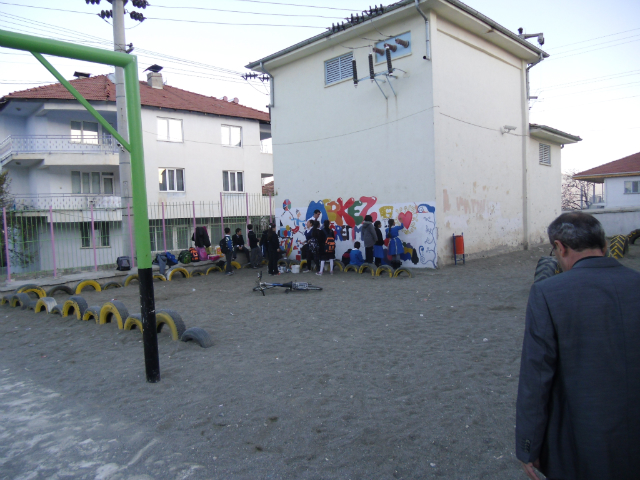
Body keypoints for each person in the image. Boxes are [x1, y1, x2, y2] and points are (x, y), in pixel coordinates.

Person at [516, 212, 640, 480]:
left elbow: (536, 379)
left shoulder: (548, 293)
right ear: (605, 246)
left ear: (560, 247)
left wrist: (529, 445)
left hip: (579, 441)